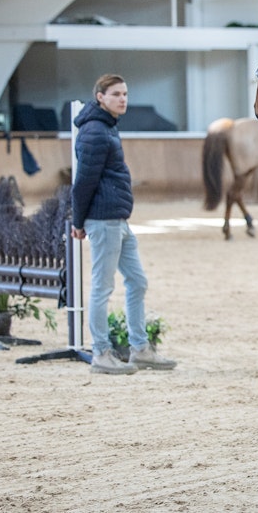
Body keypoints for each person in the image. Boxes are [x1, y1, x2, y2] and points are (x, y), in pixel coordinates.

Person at [71, 74, 177, 375]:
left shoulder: (106, 128)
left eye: (126, 94)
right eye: (116, 94)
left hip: (118, 219)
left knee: (137, 281)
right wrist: (77, 221)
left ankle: (140, 349)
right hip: (104, 221)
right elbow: (82, 182)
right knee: (102, 288)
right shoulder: (95, 132)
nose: (123, 99)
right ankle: (101, 354)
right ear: (100, 97)